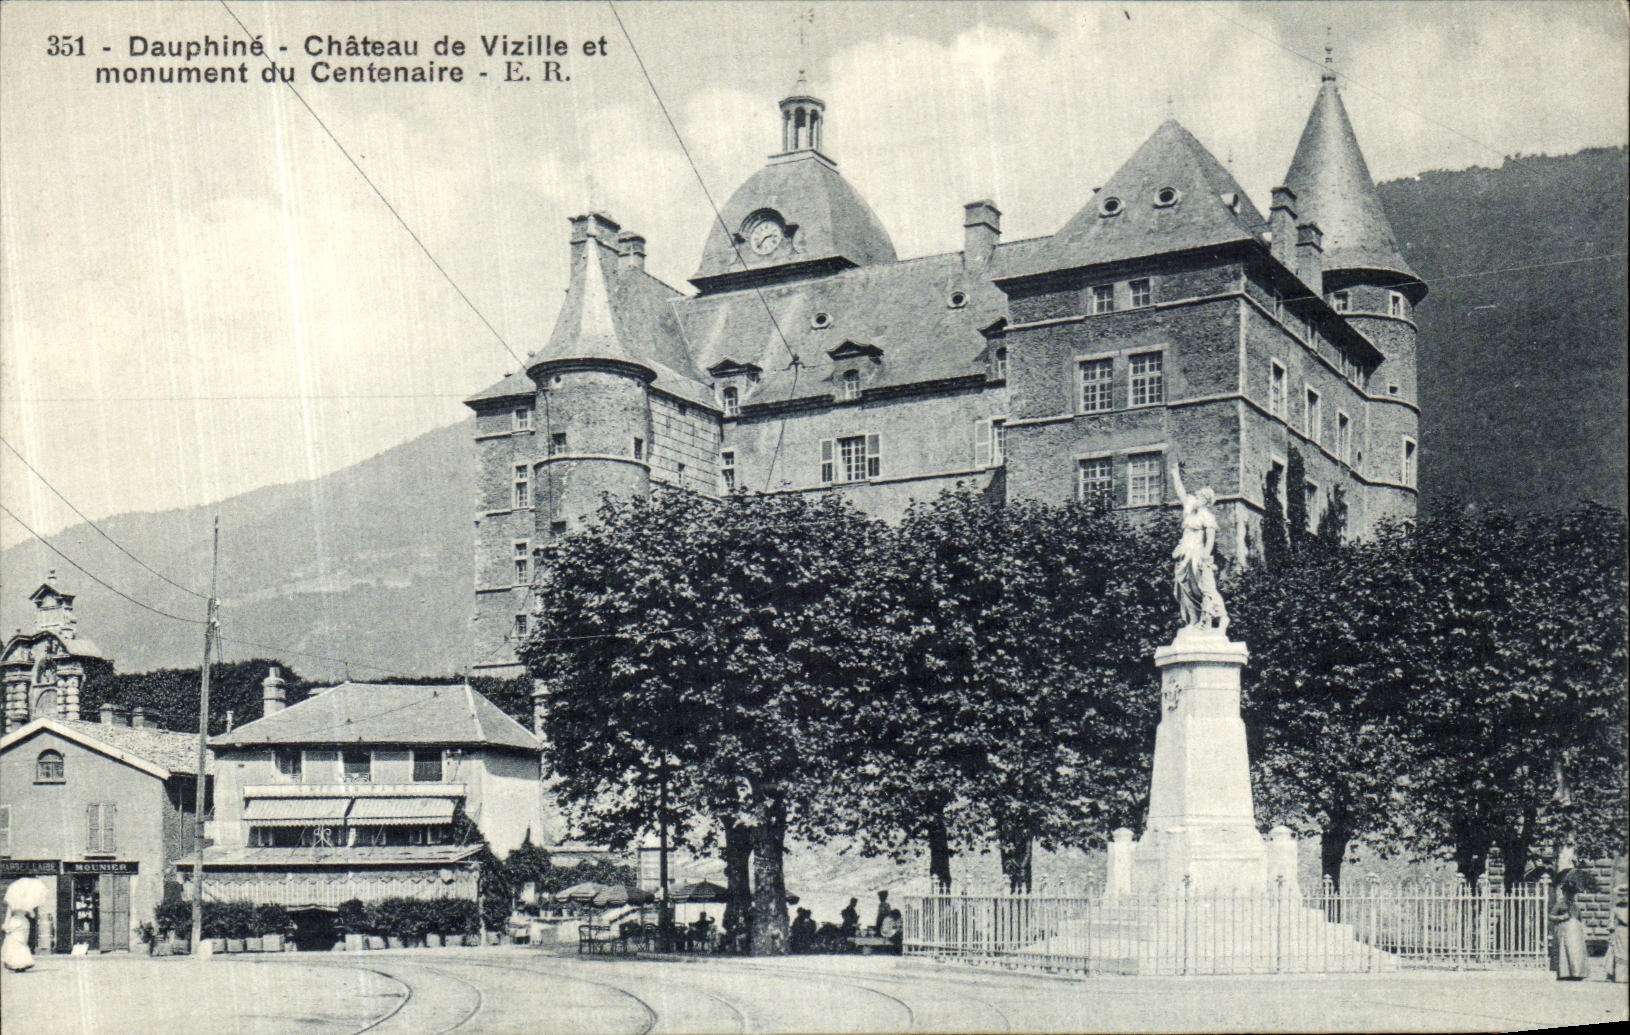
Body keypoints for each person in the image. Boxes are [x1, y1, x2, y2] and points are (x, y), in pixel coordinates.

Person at [1170, 462, 1228, 633]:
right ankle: (1193, 620)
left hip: (1197, 552)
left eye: (1199, 497)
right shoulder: (1189, 511)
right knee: (1184, 586)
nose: (1195, 498)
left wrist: (1205, 556)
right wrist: (1175, 474)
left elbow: (1210, 539)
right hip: (1185, 552)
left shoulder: (1207, 516)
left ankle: (1216, 616)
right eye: (1196, 496)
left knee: (1203, 587)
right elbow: (1181, 492)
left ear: (1206, 501)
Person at [1549, 847, 1593, 980]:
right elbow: (1551, 916)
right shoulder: (1560, 904)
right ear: (1564, 893)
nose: (1571, 896)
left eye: (1572, 894)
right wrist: (1562, 917)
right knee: (1565, 952)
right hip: (1564, 931)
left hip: (1576, 933)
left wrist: (1582, 927)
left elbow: (1580, 918)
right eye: (1569, 893)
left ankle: (1577, 972)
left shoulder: (1575, 906)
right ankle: (1565, 972)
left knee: (1576, 952)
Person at [1607, 882, 1627, 984]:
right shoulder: (1616, 908)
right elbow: (1611, 922)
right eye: (1621, 895)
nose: (1624, 898)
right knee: (1619, 953)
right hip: (1620, 932)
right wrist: (1611, 934)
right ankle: (1619, 976)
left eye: (1626, 895)